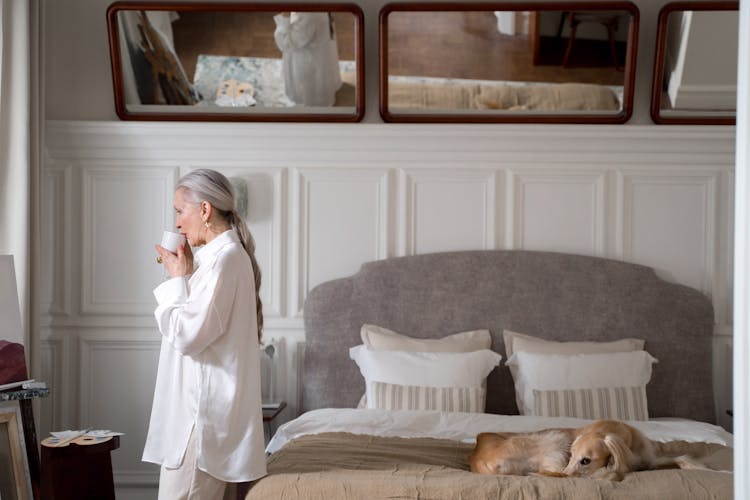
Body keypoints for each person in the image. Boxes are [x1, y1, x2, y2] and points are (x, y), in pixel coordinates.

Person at [144, 169, 266, 499]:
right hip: (202, 422)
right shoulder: (219, 261)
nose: (178, 224)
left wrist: (176, 282)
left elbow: (186, 337)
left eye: (180, 211)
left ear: (204, 210)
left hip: (199, 425)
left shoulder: (224, 262)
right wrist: (183, 275)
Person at [273, 11, 342, 106]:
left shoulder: (308, 17)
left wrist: (285, 18)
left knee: (312, 87)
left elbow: (286, 43)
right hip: (321, 52)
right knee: (322, 74)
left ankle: (316, 103)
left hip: (308, 63)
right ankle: (325, 92)